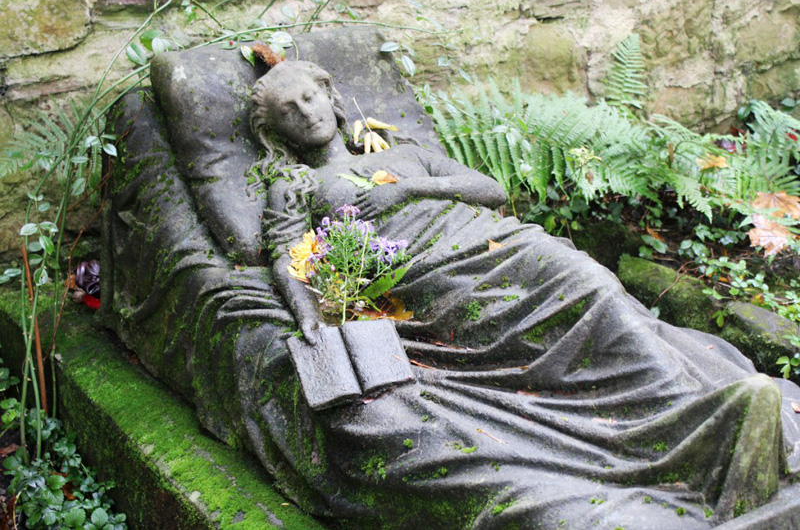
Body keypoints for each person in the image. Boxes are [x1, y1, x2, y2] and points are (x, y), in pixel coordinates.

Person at [243, 60, 800, 528]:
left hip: (500, 242)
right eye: (290, 111)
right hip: (427, 275)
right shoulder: (296, 185)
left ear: (331, 95)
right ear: (278, 132)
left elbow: (488, 189)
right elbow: (288, 256)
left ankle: (700, 422)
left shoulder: (400, 153)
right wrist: (308, 314)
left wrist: (406, 190)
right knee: (510, 318)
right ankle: (693, 448)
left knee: (594, 288)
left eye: (311, 96)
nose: (308, 113)